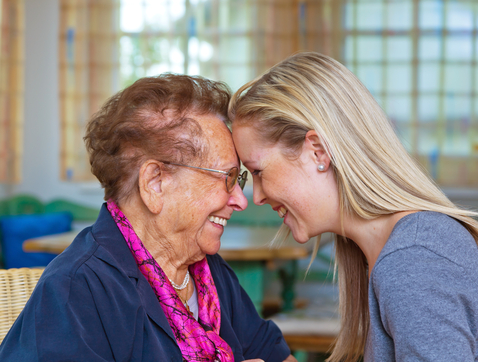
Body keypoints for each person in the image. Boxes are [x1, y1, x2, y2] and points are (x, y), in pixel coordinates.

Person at [0, 74, 296, 362]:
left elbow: (273, 354)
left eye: (238, 178)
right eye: (226, 177)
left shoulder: (211, 274)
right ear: (155, 183)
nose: (241, 200)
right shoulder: (76, 289)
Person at [229, 51, 478, 362]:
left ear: (317, 152)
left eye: (259, 172)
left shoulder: (412, 259)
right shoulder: (394, 249)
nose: (258, 196)